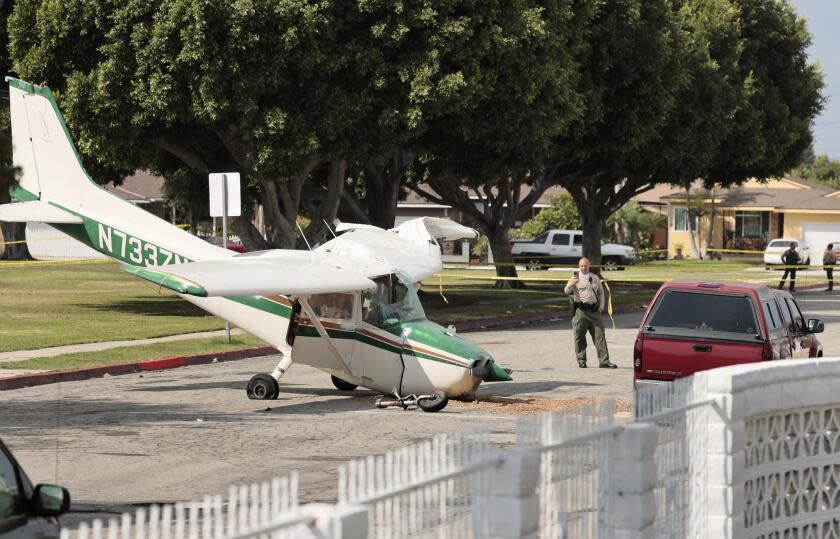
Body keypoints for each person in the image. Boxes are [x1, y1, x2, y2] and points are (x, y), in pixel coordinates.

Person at [564, 257, 617, 369]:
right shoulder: (574, 276)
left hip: (594, 311)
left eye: (586, 265)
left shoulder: (595, 277)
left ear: (589, 265)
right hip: (580, 311)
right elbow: (566, 291)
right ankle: (581, 361)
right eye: (581, 266)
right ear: (579, 266)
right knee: (579, 337)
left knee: (600, 336)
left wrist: (601, 306)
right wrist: (571, 285)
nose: (584, 267)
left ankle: (604, 361)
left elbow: (601, 293)